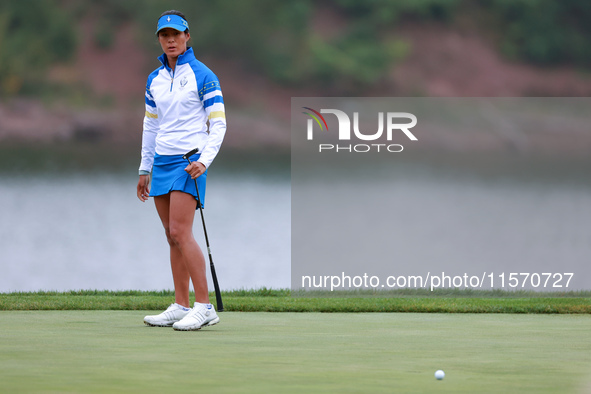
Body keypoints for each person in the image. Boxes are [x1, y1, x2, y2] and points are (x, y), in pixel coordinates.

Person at [136, 10, 226, 331]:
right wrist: (145, 167)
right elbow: (151, 124)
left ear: (188, 36)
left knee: (180, 232)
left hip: (189, 162)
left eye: (176, 34)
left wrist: (205, 160)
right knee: (170, 236)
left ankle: (204, 305)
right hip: (161, 161)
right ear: (159, 39)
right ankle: (181, 303)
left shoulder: (204, 75)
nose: (170, 40)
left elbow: (218, 124)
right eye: (164, 35)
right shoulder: (154, 79)